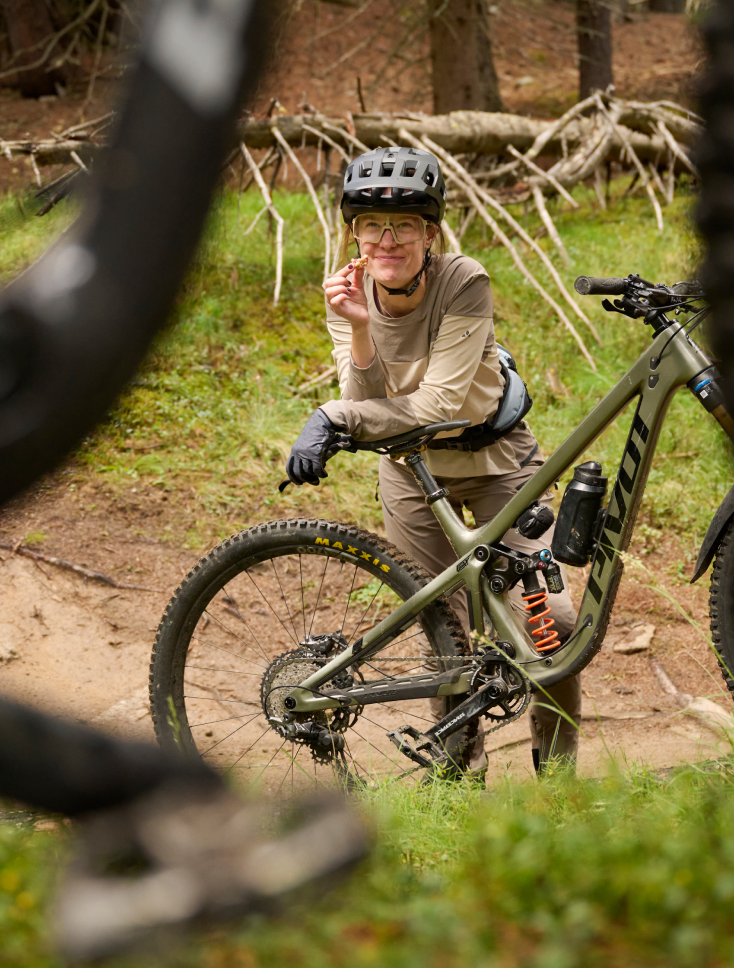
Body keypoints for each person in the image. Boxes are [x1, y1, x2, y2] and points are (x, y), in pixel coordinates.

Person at [283, 146, 581, 776]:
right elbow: (368, 402)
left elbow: (441, 402)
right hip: (412, 474)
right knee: (444, 632)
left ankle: (559, 780)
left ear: (430, 233)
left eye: (405, 225)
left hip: (498, 461)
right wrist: (358, 327)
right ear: (354, 233)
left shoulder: (463, 280)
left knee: (550, 623)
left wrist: (334, 417)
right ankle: (460, 771)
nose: (387, 240)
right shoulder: (348, 292)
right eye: (371, 225)